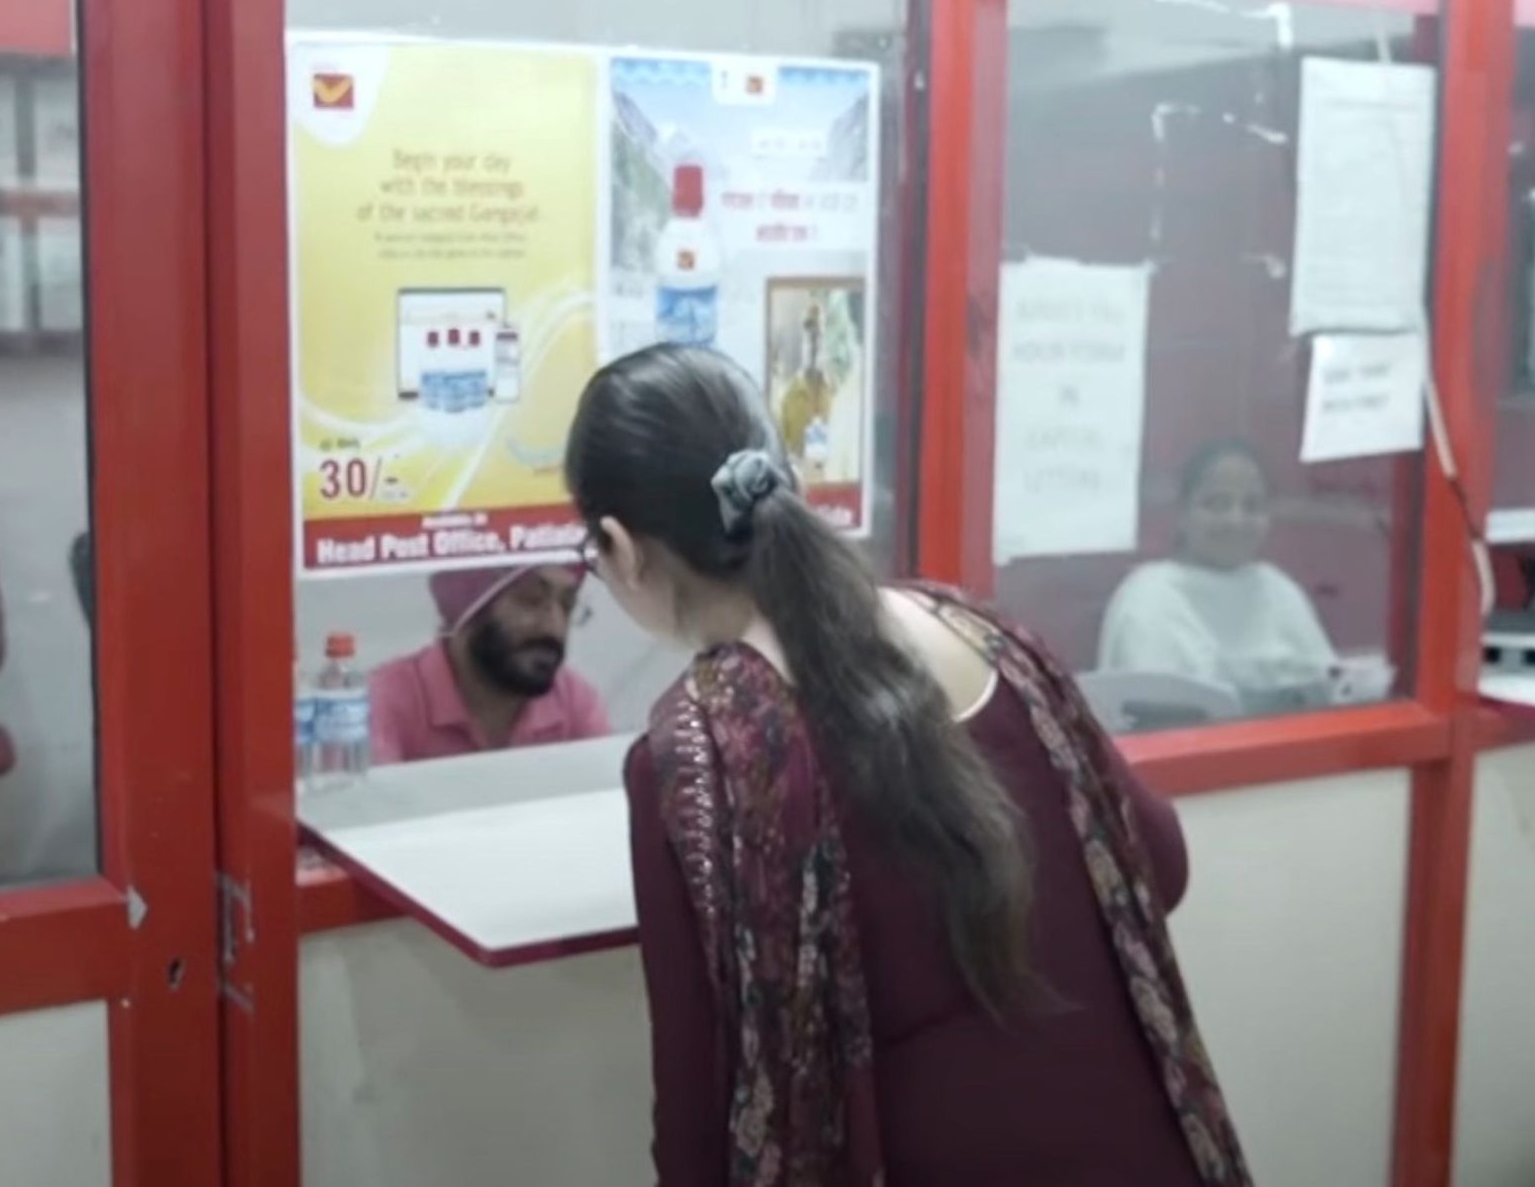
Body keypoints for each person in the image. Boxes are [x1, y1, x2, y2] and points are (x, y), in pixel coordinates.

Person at [568, 345, 1245, 1186]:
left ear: (620, 547)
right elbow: (1159, 862)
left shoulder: (701, 752)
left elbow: (700, 1110)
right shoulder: (978, 632)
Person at [1098, 439, 1337, 707]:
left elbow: (1333, 696)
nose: (1235, 520)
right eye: (1216, 503)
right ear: (1182, 513)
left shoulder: (1279, 591)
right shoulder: (1148, 597)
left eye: (1252, 505)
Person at [368, 563, 613, 765]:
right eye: (531, 599)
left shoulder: (573, 700)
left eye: (567, 605)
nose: (554, 627)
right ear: (467, 609)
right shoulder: (386, 702)